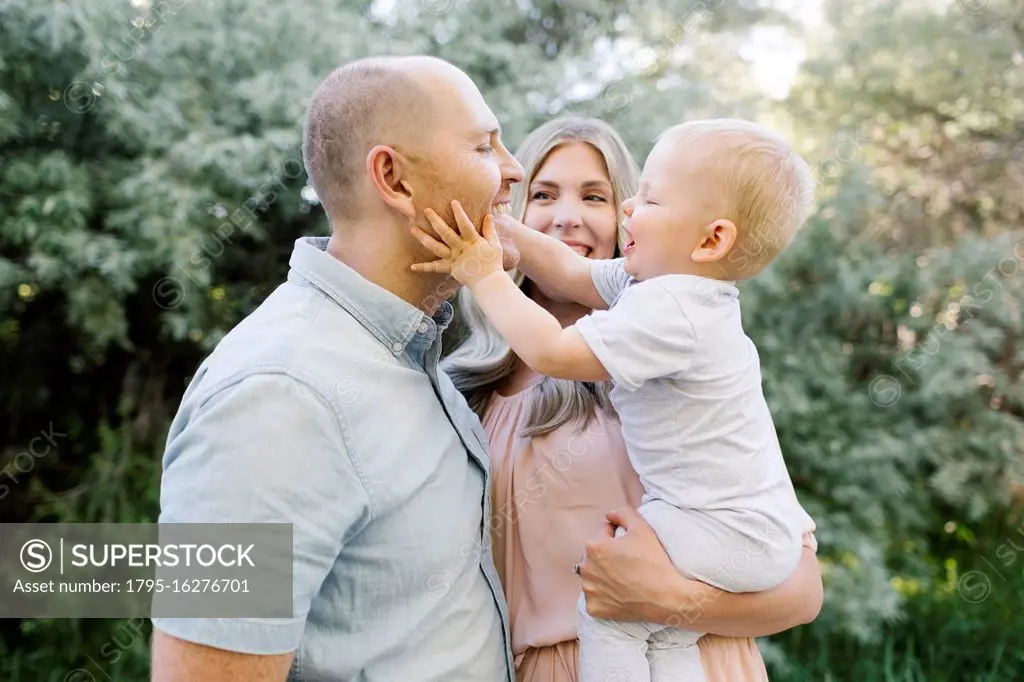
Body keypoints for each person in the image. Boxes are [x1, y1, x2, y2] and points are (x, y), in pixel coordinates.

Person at [438, 116, 822, 682]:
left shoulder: (665, 331)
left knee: (623, 627)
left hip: (673, 652)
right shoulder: (461, 392)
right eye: (541, 194)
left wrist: (665, 599)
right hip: (558, 665)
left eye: (602, 196)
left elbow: (803, 591)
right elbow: (568, 270)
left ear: (710, 238)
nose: (568, 215)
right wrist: (489, 232)